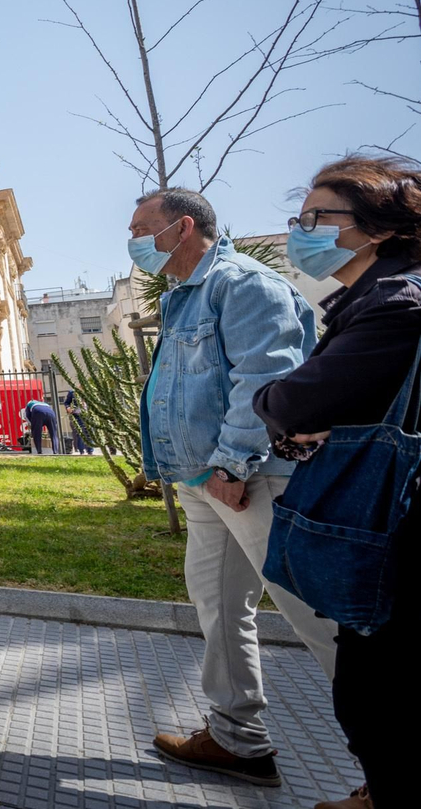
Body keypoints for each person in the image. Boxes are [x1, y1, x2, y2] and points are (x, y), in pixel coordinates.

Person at [127, 187, 336, 788]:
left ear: (182, 227)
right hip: (207, 484)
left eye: (142, 228)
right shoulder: (181, 297)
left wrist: (232, 464)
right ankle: (237, 738)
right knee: (219, 608)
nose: (134, 241)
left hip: (249, 479)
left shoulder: (243, 285)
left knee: (318, 617)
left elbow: (268, 379)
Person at [252, 154, 421, 809]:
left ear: (376, 227)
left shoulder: (396, 301)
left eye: (319, 217)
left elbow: (294, 402)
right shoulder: (371, 297)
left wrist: (278, 403)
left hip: (390, 525)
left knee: (374, 693)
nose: (303, 231)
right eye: (300, 219)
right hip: (380, 516)